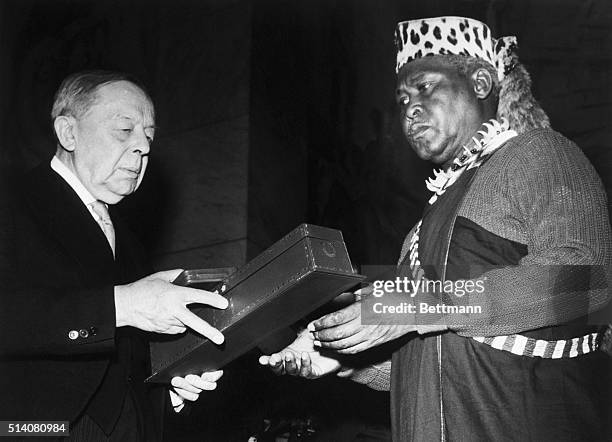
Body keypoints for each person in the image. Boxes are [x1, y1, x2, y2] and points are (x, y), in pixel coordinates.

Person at [260, 16, 612, 441]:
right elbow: (442, 354)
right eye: (402, 97)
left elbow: (587, 279)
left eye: (424, 86)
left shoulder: (539, 153)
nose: (409, 107)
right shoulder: (420, 227)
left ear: (481, 82)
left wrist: (421, 305)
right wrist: (348, 361)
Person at [0, 70, 229, 441]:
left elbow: (125, 363)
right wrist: (123, 305)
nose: (144, 148)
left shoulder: (130, 240)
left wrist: (167, 389)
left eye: (149, 137)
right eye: (125, 130)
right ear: (68, 133)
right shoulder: (12, 201)